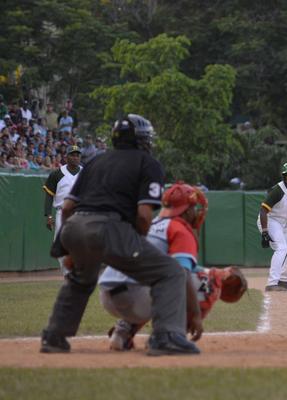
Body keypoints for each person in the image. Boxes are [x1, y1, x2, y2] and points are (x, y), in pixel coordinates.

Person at [40, 114, 201, 356]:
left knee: (80, 278)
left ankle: (54, 336)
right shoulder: (148, 163)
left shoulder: (94, 162)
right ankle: (166, 336)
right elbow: (145, 215)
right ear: (141, 140)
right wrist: (134, 243)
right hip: (110, 228)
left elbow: (66, 208)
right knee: (171, 272)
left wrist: (69, 248)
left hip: (74, 227)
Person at [97, 182, 248, 351]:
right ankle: (169, 336)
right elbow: (181, 274)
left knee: (165, 276)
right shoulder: (180, 229)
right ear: (187, 210)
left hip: (107, 293)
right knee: (204, 281)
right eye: (194, 207)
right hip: (134, 297)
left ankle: (123, 333)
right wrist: (196, 314)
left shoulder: (152, 223)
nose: (196, 212)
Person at [258, 162, 287, 292]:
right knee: (282, 248)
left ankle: (283, 280)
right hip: (269, 220)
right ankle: (272, 283)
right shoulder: (277, 190)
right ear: (284, 177)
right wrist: (265, 231)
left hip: (282, 224)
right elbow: (263, 211)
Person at [42, 145, 82, 275]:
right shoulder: (57, 173)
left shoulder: (85, 173)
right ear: (66, 157)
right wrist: (48, 215)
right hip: (62, 212)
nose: (75, 157)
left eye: (77, 155)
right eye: (72, 155)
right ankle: (67, 274)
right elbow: (49, 195)